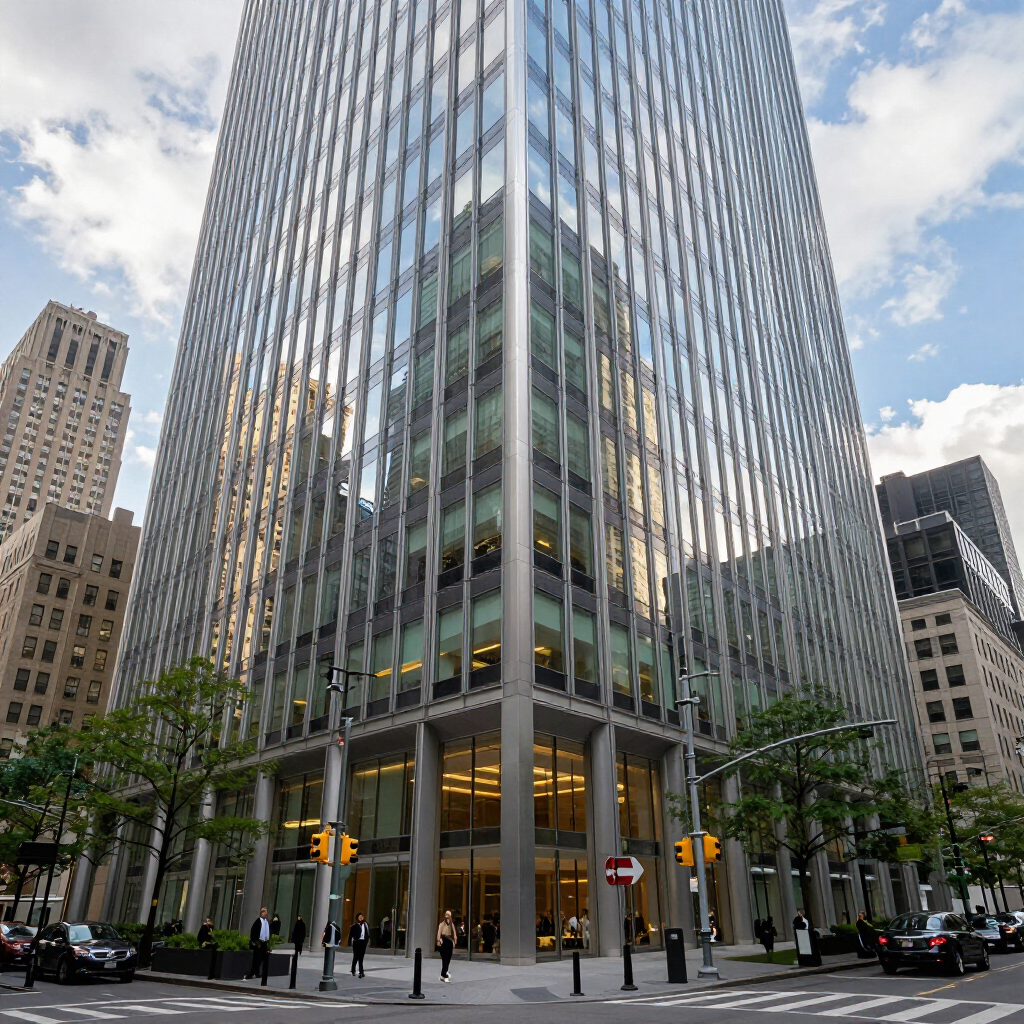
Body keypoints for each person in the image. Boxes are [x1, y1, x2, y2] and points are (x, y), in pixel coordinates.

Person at [246, 907, 270, 979]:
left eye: (266, 912)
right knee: (256, 959)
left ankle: (257, 972)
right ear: (261, 913)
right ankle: (252, 973)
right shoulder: (258, 921)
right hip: (258, 943)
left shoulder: (266, 922)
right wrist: (256, 942)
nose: (266, 914)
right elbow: (253, 932)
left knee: (261, 959)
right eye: (264, 912)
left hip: (264, 943)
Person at [437, 910, 457, 982]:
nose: (447, 916)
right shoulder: (441, 924)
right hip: (444, 941)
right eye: (446, 915)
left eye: (449, 915)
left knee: (448, 958)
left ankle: (443, 974)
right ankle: (444, 974)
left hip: (449, 941)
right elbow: (439, 933)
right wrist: (439, 941)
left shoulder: (452, 924)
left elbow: (454, 933)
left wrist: (454, 941)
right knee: (444, 959)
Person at [348, 913, 369, 978]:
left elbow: (368, 933)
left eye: (361, 917)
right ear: (357, 918)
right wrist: (349, 943)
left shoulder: (366, 924)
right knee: (356, 957)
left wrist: (367, 940)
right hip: (357, 942)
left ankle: (361, 971)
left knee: (361, 957)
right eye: (359, 917)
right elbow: (350, 935)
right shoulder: (354, 926)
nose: (361, 918)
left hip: (363, 942)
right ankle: (353, 970)